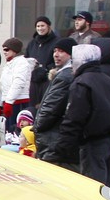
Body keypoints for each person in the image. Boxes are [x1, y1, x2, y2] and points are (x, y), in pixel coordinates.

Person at [52, 44, 110, 188]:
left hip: (94, 141)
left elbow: (74, 118)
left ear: (80, 61)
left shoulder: (82, 83)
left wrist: (61, 149)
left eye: (73, 61)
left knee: (94, 187)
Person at [33, 38, 79, 171]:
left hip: (53, 141)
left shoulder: (65, 77)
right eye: (55, 51)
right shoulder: (63, 74)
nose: (56, 54)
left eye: (61, 51)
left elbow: (49, 110)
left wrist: (37, 127)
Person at [0, 37, 35, 130]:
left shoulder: (22, 63)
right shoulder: (8, 65)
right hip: (8, 102)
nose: (4, 52)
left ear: (14, 50)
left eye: (7, 49)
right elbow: (3, 86)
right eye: (3, 50)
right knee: (8, 130)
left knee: (16, 129)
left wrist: (9, 102)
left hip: (18, 102)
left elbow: (18, 83)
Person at [25, 16, 58, 107]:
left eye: (42, 25)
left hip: (48, 80)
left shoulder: (56, 42)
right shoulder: (32, 43)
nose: (40, 28)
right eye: (38, 26)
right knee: (32, 108)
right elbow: (26, 58)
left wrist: (46, 69)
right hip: (33, 82)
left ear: (48, 26)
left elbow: (58, 61)